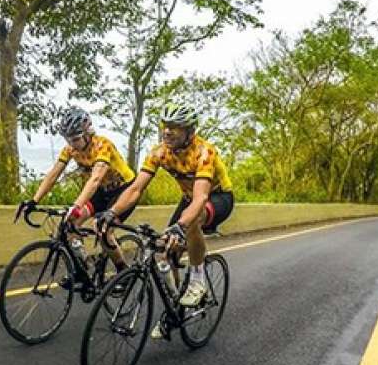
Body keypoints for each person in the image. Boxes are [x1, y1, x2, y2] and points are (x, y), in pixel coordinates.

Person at [95, 100, 234, 338]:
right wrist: (113, 212)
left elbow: (201, 197)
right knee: (164, 251)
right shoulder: (159, 153)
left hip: (217, 197)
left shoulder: (204, 152)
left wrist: (180, 226)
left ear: (189, 131)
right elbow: (136, 188)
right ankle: (175, 308)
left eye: (175, 127)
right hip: (189, 198)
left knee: (190, 221)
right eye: (165, 125)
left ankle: (198, 278)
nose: (167, 131)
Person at [16, 107, 137, 278]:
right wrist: (34, 200)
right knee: (70, 223)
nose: (72, 144)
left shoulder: (102, 145)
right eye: (68, 140)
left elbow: (94, 179)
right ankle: (83, 268)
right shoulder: (70, 150)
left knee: (102, 228)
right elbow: (53, 175)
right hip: (101, 192)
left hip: (123, 190)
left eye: (75, 139)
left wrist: (76, 205)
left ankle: (123, 271)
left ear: (88, 133)